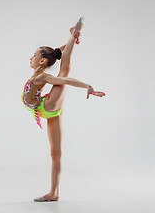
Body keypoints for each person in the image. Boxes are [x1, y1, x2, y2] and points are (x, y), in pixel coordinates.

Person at [21, 18, 106, 202]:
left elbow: (65, 80)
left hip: (48, 106)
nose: (30, 57)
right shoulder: (39, 71)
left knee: (64, 73)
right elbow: (56, 54)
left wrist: (87, 86)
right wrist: (70, 39)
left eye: (33, 55)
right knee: (55, 153)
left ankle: (53, 192)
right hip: (49, 113)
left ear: (41, 61)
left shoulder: (42, 76)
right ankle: (54, 193)